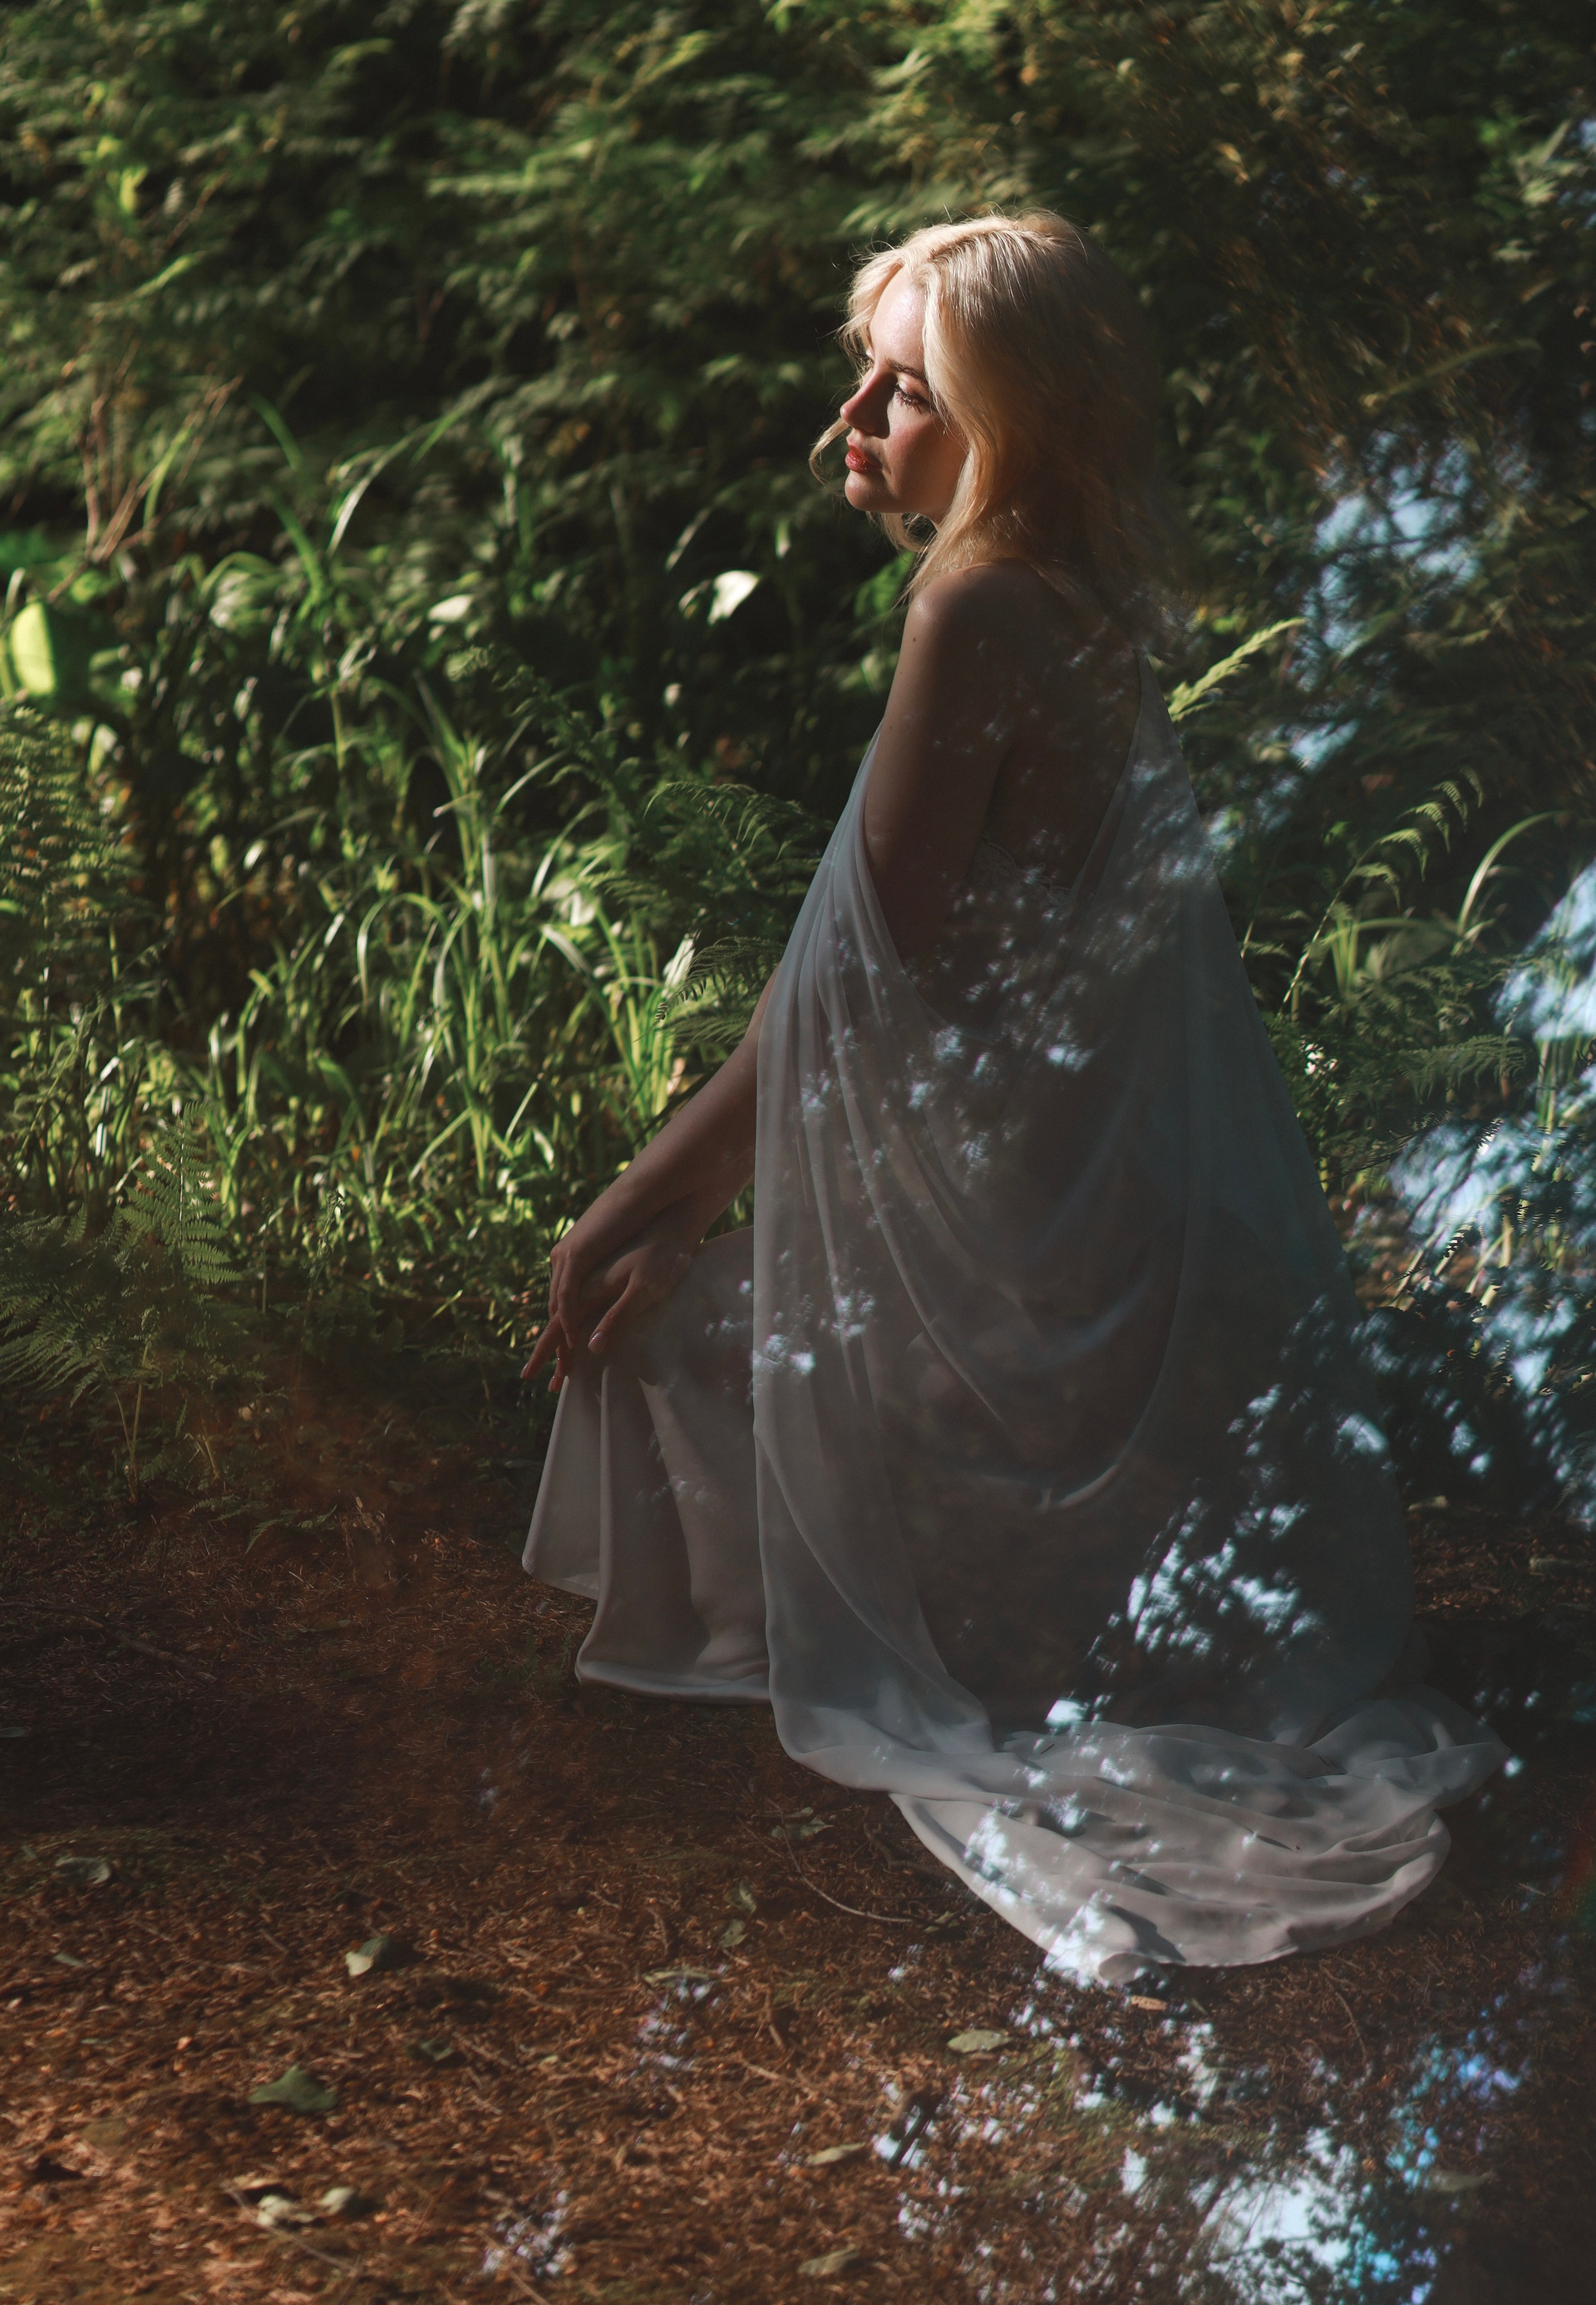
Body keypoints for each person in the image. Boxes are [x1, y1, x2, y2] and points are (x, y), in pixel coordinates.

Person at [521, 212, 1505, 1983]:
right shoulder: (1076, 606)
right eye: (866, 375)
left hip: (1031, 1276)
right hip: (1081, 1229)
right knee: (688, 1300)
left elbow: (848, 1000)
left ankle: (972, 1589)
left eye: (905, 390)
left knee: (652, 1330)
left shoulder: (975, 609)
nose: (855, 416)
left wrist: (642, 1202)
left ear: (1012, 427)